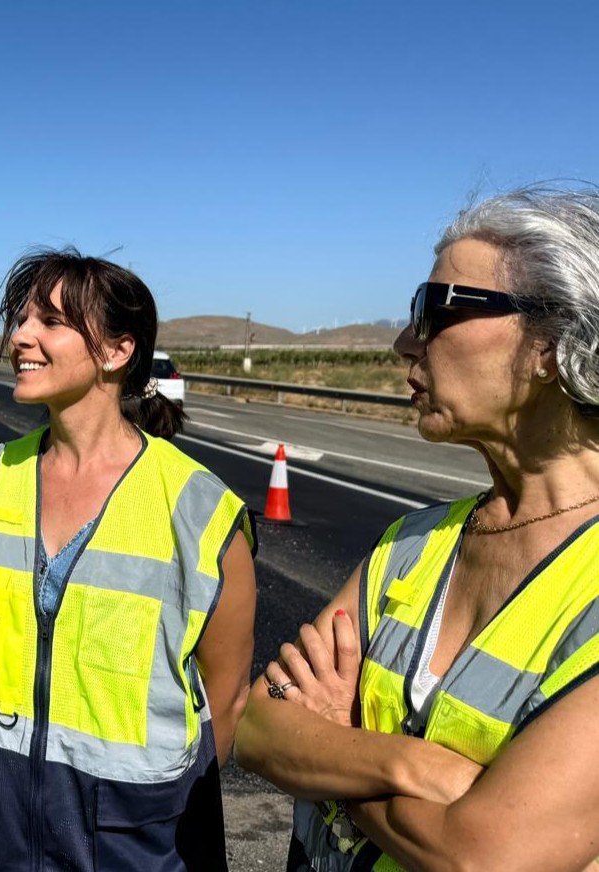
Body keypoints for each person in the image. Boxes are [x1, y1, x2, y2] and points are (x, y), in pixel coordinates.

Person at [235, 186, 599, 871]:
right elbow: (256, 725)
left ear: (551, 345)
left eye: (433, 311)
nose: (405, 339)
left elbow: (485, 857)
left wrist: (334, 746)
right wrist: (410, 764)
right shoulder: (411, 543)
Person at [0, 249, 257, 871]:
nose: (20, 337)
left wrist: (147, 815)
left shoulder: (197, 508)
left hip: (130, 846)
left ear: (116, 352)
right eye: (21, 320)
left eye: (50, 322)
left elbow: (227, 696)